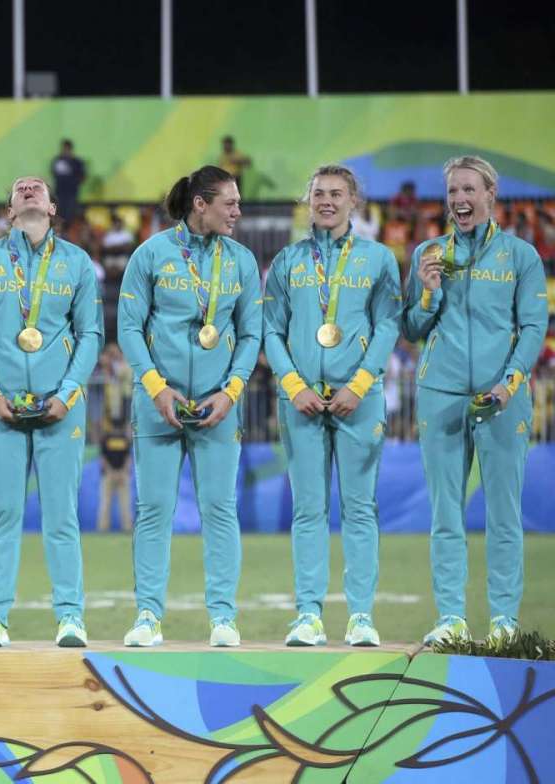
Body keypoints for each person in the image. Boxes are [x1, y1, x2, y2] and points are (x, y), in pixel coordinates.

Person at [403, 156, 549, 645]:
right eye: (453, 192)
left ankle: (504, 621)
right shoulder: (429, 252)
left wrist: (510, 381)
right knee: (446, 513)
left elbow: (533, 327)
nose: (460, 200)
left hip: (502, 398)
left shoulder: (520, 256)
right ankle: (452, 619)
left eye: (469, 190)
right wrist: (427, 294)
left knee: (503, 514)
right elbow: (412, 329)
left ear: (491, 194)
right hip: (440, 395)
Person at [0, 175, 103, 648]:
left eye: (37, 187)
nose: (27, 189)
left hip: (62, 407)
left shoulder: (77, 263)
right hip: (1, 408)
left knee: (62, 516)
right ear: (9, 213)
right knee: (3, 513)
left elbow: (91, 335)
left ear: (53, 208)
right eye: (18, 188)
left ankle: (70, 617)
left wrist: (69, 393)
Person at [117, 165, 261, 647]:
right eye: (230, 203)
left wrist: (232, 390)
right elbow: (129, 328)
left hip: (220, 405)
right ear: (201, 203)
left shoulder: (241, 260)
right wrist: (157, 388)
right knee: (153, 510)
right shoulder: (151, 254)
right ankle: (147, 618)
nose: (238, 211)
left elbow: (251, 333)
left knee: (220, 510)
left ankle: (223, 618)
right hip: (159, 403)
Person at [263, 164, 402, 648]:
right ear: (308, 200)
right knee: (308, 511)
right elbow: (271, 331)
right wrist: (292, 384)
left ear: (353, 201)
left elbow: (388, 325)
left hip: (357, 400)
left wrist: (361, 383)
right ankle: (309, 615)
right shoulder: (287, 262)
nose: (326, 201)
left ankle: (361, 616)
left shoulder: (378, 259)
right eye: (318, 193)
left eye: (336, 194)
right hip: (300, 401)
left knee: (360, 509)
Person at [96, 418, 133, 532]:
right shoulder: (125, 440)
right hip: (121, 475)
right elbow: (128, 458)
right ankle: (127, 528)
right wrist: (122, 472)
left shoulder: (106, 439)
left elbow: (103, 458)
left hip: (108, 475)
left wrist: (112, 472)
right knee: (125, 503)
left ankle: (103, 529)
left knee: (105, 503)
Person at [50, 140, 86, 221]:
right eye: (64, 149)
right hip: (59, 193)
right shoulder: (57, 161)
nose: (65, 151)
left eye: (67, 149)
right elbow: (53, 174)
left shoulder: (76, 162)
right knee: (59, 215)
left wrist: (74, 182)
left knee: (70, 215)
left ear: (70, 149)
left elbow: (82, 177)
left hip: (72, 194)